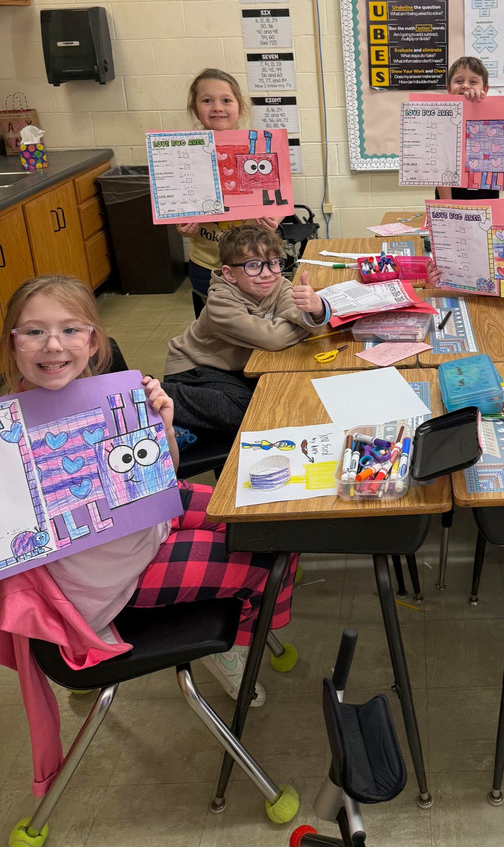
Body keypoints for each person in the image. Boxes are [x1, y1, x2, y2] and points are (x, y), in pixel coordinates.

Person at [1, 273, 299, 706]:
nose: (53, 345)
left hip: (147, 527)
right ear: (13, 343)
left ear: (93, 341)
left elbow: (164, 479)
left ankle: (233, 616)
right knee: (263, 562)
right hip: (110, 582)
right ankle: (232, 647)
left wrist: (162, 428)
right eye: (34, 332)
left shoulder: (106, 397)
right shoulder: (10, 433)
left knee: (259, 520)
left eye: (70, 329)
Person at [164, 223, 330, 437]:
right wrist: (305, 323)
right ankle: (158, 396)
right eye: (253, 266)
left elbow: (306, 321)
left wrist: (316, 309)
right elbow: (274, 339)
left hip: (236, 365)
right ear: (229, 274)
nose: (267, 274)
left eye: (274, 263)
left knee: (281, 397)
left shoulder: (279, 285)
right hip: (195, 368)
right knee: (249, 411)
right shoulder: (220, 303)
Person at [177, 68, 280, 317]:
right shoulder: (182, 154)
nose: (217, 107)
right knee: (214, 327)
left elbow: (278, 197)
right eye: (207, 100)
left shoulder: (260, 147)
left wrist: (276, 218)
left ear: (240, 108)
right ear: (195, 109)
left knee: (256, 323)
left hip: (252, 262)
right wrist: (180, 222)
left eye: (226, 100)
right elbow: (176, 204)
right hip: (207, 264)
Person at [436, 56, 501, 201]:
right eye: (459, 81)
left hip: (487, 200)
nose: (465, 86)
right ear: (448, 89)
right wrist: (448, 205)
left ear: (485, 89)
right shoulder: (442, 122)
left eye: (473, 82)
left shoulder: (494, 121)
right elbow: (440, 165)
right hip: (450, 199)